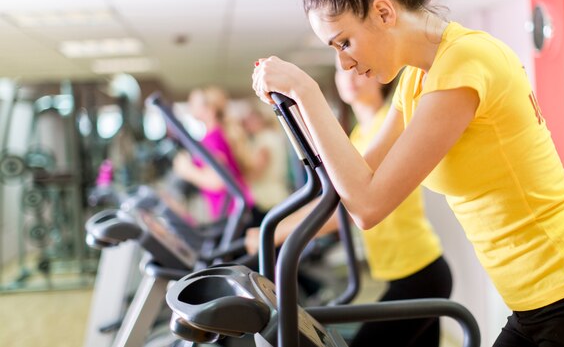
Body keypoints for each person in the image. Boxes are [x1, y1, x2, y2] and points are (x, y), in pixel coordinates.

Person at [251, 0, 564, 346]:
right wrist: (298, 109)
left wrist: (308, 92)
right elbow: (358, 169)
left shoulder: (464, 64)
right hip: (538, 302)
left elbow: (369, 205)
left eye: (344, 42)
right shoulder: (418, 79)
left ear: (383, 13)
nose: (344, 62)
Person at [246, 58, 452, 347]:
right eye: (341, 71)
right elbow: (330, 196)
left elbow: (345, 209)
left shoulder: (390, 124)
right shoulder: (357, 135)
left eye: (357, 69)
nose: (349, 76)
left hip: (419, 271)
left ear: (378, 74)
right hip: (401, 272)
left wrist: (275, 233)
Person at [173, 86, 256, 223]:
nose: (190, 106)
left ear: (209, 110)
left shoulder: (212, 138)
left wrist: (187, 170)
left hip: (232, 213)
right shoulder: (218, 134)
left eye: (194, 103)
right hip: (237, 210)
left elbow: (218, 181)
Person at [240, 99, 291, 215]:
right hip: (276, 194)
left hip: (266, 199)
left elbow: (257, 171)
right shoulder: (271, 136)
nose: (245, 124)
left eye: (248, 120)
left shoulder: (264, 140)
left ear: (258, 119)